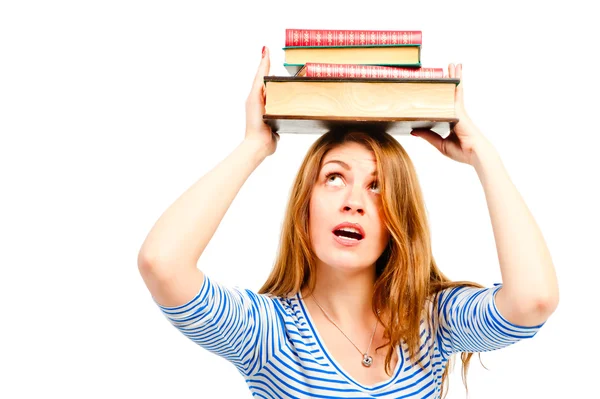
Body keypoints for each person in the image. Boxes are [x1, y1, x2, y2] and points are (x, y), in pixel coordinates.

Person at [137, 46, 559, 398]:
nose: (354, 201)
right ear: (306, 205)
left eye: (377, 188)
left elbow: (533, 301)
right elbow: (162, 263)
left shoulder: (431, 322)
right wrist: (253, 146)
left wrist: (485, 158)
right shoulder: (269, 333)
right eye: (334, 178)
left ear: (399, 218)